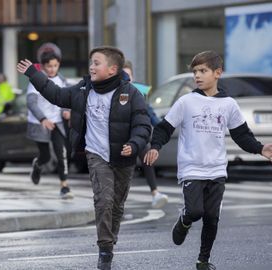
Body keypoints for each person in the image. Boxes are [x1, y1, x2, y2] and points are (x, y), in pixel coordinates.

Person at [144, 51, 272, 270]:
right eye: (195, 72)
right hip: (192, 168)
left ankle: (203, 261)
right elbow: (164, 127)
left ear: (217, 73)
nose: (197, 76)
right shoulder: (186, 101)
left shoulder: (228, 104)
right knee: (195, 211)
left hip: (217, 169)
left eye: (203, 71)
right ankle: (184, 220)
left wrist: (260, 148)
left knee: (212, 218)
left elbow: (242, 135)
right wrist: (155, 146)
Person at [17, 46, 151, 270]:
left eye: (97, 63)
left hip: (123, 157)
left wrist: (134, 144)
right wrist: (34, 72)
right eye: (91, 62)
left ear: (112, 69)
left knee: (117, 205)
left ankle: (110, 240)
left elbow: (143, 124)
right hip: (96, 153)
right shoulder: (83, 89)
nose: (92, 66)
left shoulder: (131, 93)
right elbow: (57, 95)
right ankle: (105, 248)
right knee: (103, 200)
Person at [26, 51, 73, 199]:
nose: (52, 69)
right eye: (49, 66)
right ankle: (37, 165)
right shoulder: (36, 80)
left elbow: (67, 99)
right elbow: (31, 103)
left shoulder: (62, 81)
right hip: (40, 122)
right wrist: (43, 119)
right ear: (43, 66)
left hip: (57, 122)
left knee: (62, 153)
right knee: (45, 156)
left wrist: (67, 111)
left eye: (55, 65)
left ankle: (64, 186)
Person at [123, 60, 168, 209]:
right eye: (123, 75)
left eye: (128, 75)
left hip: (139, 135)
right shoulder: (116, 92)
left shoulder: (138, 91)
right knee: (124, 171)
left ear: (133, 76)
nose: (126, 78)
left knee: (147, 160)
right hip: (122, 138)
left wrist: (161, 126)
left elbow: (148, 111)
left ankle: (155, 193)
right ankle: (119, 201)